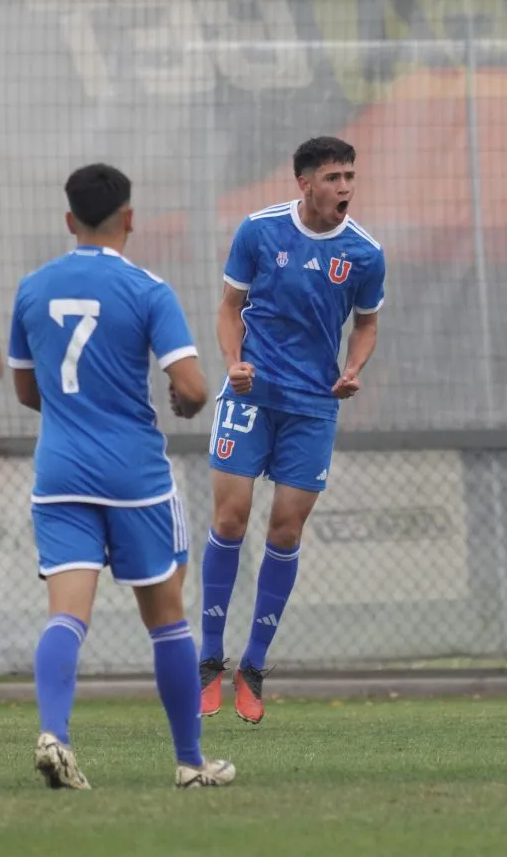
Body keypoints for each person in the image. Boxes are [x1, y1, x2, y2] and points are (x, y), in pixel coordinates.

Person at [7, 164, 236, 789]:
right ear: (130, 218)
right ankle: (191, 763)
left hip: (60, 475)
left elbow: (28, 390)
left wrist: (73, 408)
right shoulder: (147, 289)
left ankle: (55, 734)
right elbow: (190, 386)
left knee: (65, 617)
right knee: (167, 619)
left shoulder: (32, 288)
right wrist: (185, 401)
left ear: (68, 220)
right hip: (134, 476)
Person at [199, 136, 385, 724]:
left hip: (312, 406)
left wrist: (353, 368)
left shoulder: (364, 253)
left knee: (285, 531)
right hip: (250, 396)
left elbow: (367, 323)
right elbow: (229, 308)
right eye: (333, 178)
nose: (345, 188)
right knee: (229, 518)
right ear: (304, 183)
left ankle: (252, 666)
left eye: (350, 177)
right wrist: (233, 362)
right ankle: (209, 662)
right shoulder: (258, 231)